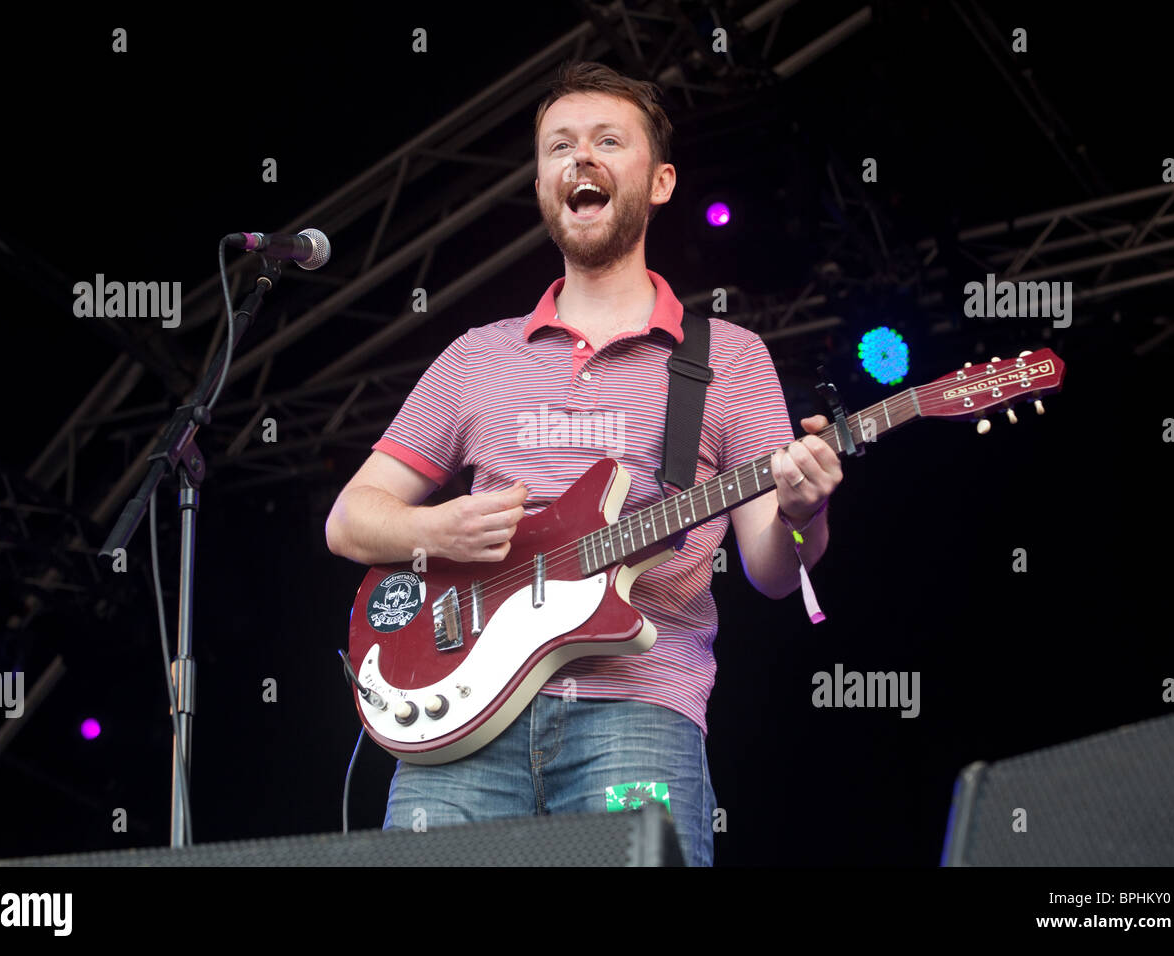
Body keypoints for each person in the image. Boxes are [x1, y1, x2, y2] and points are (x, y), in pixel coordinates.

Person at [324, 61, 843, 866]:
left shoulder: (728, 359)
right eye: (559, 146)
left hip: (639, 715)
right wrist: (442, 528)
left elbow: (773, 571)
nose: (581, 159)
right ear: (542, 184)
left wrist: (806, 513)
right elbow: (352, 519)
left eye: (609, 141)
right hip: (457, 719)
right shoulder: (476, 357)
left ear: (661, 181)